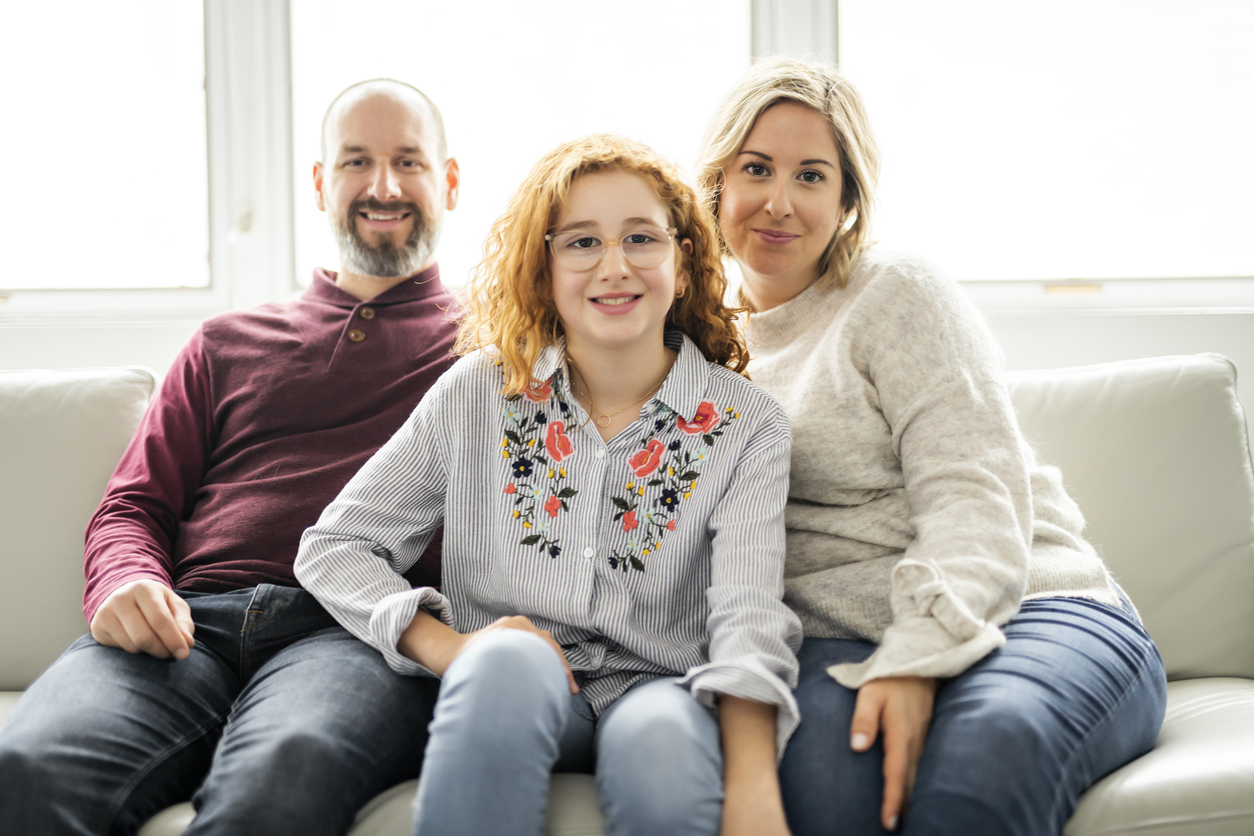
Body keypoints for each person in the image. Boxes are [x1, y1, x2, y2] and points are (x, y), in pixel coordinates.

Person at [694, 59, 1168, 836]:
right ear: (717, 181)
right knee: (826, 789)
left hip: (1033, 607)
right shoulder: (689, 347)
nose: (780, 201)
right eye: (757, 169)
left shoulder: (895, 292)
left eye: (812, 176)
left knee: (985, 763)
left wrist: (917, 656)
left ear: (847, 201)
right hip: (831, 636)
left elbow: (974, 499)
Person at [295, 134, 803, 836]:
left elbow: (749, 618)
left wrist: (755, 790)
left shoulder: (751, 426)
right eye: (582, 243)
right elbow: (336, 546)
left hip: (664, 690)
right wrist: (452, 645)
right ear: (545, 269)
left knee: (661, 748)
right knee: (504, 661)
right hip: (511, 685)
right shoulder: (477, 392)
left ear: (683, 263)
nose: (615, 266)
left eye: (641, 238)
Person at [0, 78, 461, 835]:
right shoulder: (225, 341)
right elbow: (134, 506)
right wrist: (126, 581)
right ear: (320, 184)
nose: (383, 186)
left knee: (284, 779)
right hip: (187, 626)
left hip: (352, 636)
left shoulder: (492, 350)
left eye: (408, 161)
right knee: (24, 771)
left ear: (447, 181)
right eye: (355, 162)